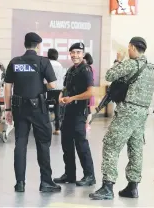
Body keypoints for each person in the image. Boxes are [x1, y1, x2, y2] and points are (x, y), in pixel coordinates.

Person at [89, 37, 154, 200]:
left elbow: (110, 75)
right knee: (136, 149)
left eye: (129, 48)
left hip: (127, 112)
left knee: (111, 145)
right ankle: (132, 187)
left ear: (132, 47)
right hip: (142, 113)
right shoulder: (152, 68)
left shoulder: (131, 63)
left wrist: (118, 61)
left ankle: (107, 186)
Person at [4, 32, 61, 193]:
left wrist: (7, 109)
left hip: (19, 108)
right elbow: (53, 84)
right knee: (43, 143)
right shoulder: (43, 61)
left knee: (20, 143)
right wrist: (40, 86)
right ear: (38, 46)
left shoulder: (14, 62)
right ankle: (46, 182)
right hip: (38, 108)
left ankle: (20, 183)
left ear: (25, 44)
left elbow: (8, 87)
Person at [53, 42, 96, 187]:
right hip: (68, 112)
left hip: (79, 112)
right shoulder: (71, 70)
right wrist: (61, 96)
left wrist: (72, 98)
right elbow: (65, 88)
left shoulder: (86, 70)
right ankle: (70, 174)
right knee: (66, 144)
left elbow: (90, 92)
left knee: (81, 145)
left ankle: (90, 176)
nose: (75, 55)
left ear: (83, 54)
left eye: (78, 52)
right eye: (73, 52)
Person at [46, 48, 65, 135]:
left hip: (49, 89)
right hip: (59, 89)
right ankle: (58, 128)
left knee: (45, 108)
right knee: (57, 109)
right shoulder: (60, 65)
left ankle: (46, 128)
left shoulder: (47, 64)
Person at [83, 52, 96, 130]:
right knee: (88, 109)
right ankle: (87, 125)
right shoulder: (92, 68)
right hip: (90, 91)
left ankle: (86, 125)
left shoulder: (87, 68)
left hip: (87, 91)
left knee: (87, 109)